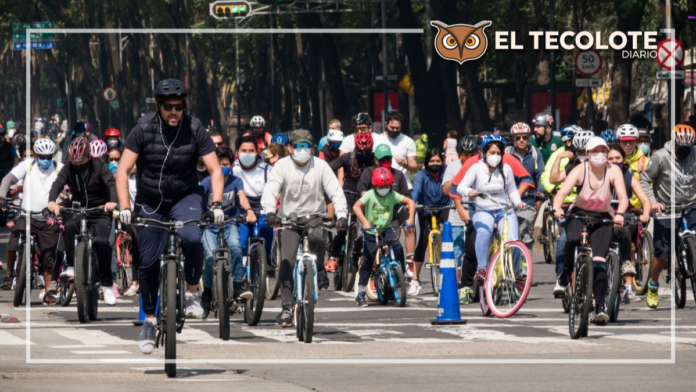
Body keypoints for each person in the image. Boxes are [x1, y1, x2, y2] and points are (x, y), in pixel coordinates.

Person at [115, 78, 223, 355]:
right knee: (148, 260)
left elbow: (215, 170)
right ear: (159, 107)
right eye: (168, 107)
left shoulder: (195, 127)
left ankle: (190, 294)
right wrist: (126, 207)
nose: (174, 112)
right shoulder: (143, 127)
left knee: (190, 236)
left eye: (179, 107)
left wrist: (218, 203)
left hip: (186, 195)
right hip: (150, 200)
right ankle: (149, 320)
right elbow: (123, 171)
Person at [261, 129, 348, 327]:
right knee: (286, 259)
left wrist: (342, 215)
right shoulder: (282, 166)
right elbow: (270, 189)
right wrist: (269, 212)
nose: (302, 150)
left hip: (315, 217)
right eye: (298, 146)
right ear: (290, 148)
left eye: (306, 146)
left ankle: (317, 269)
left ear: (313, 149)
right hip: (288, 221)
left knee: (318, 239)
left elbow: (335, 191)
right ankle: (286, 308)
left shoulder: (321, 166)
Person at [553, 137, 628, 324]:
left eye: (603, 150)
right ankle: (565, 276)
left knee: (599, 260)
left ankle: (601, 306)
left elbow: (623, 198)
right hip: (579, 213)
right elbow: (562, 193)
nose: (600, 154)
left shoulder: (614, 171)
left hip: (602, 217)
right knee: (571, 239)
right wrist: (557, 208)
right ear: (587, 154)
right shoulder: (580, 170)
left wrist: (620, 214)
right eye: (595, 151)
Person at [47, 137, 119, 305]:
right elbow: (57, 184)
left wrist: (112, 201)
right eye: (74, 161)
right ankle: (72, 265)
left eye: (81, 161)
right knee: (70, 225)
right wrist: (51, 201)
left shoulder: (99, 165)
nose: (78, 165)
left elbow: (111, 183)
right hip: (78, 209)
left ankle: (107, 285)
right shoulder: (68, 168)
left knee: (102, 242)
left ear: (88, 157)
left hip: (101, 210)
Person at [640, 124, 696, 309]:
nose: (685, 152)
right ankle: (653, 284)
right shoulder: (660, 157)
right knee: (662, 252)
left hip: (691, 205)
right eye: (682, 148)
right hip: (667, 208)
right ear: (675, 144)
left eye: (688, 148)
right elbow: (644, 180)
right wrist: (653, 202)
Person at [0, 139, 62, 304]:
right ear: (36, 155)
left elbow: (69, 186)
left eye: (48, 156)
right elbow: (8, 180)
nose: (45, 159)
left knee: (49, 257)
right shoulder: (27, 165)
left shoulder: (59, 168)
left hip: (49, 220)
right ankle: (9, 275)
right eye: (42, 156)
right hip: (26, 215)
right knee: (13, 242)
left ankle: (49, 291)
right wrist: (2, 197)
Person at [458, 135, 526, 283]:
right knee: (483, 232)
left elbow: (513, 190)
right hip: (483, 211)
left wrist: (518, 202)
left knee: (513, 240)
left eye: (498, 153)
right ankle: (481, 269)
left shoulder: (506, 168)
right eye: (492, 153)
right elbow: (460, 186)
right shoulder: (476, 168)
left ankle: (516, 274)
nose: (495, 156)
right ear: (484, 153)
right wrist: (469, 191)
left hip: (504, 211)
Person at [200, 147, 257, 318]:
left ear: (232, 165)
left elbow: (242, 197)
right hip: (209, 226)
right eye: (219, 164)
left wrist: (249, 211)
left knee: (236, 247)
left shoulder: (236, 181)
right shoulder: (206, 182)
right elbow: (198, 199)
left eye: (226, 164)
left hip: (229, 223)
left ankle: (238, 284)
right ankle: (207, 292)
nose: (223, 167)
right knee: (210, 256)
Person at [352, 168, 415, 307]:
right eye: (381, 186)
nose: (384, 189)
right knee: (368, 261)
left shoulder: (392, 195)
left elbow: (410, 202)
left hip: (386, 228)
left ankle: (400, 277)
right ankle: (361, 294)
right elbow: (356, 206)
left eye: (387, 186)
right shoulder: (369, 195)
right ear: (375, 185)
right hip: (371, 231)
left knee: (398, 248)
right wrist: (365, 222)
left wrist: (410, 219)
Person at [606, 145, 651, 303]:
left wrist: (645, 214)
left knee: (630, 244)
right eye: (610, 158)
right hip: (606, 214)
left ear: (624, 160)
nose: (614, 161)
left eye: (617, 158)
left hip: (626, 215)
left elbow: (645, 200)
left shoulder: (629, 177)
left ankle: (628, 287)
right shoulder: (600, 175)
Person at [325, 133, 375, 272]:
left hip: (365, 198)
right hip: (346, 196)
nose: (363, 154)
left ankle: (357, 255)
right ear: (355, 148)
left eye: (367, 151)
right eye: (360, 152)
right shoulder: (347, 157)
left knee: (363, 230)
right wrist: (332, 184)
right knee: (342, 227)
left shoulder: (374, 160)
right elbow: (327, 168)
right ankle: (334, 256)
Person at [442, 135, 478, 303]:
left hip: (475, 212)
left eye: (471, 154)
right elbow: (445, 190)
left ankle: (473, 285)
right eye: (464, 154)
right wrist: (456, 178)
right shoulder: (453, 166)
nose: (468, 157)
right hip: (457, 215)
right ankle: (454, 289)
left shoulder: (481, 166)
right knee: (457, 252)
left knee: (474, 250)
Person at [409, 148, 450, 295]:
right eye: (432, 161)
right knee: (421, 243)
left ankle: (453, 277)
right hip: (424, 209)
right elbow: (416, 190)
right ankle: (415, 280)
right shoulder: (421, 174)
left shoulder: (447, 171)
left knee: (450, 236)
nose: (435, 164)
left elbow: (454, 185)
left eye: (438, 161)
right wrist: (412, 203)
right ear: (426, 163)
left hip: (445, 207)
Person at [233, 136, 274, 265]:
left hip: (262, 209)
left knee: (267, 227)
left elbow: (275, 191)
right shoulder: (232, 169)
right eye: (244, 150)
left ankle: (267, 257)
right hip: (241, 212)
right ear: (237, 152)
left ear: (257, 152)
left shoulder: (267, 169)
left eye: (251, 150)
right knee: (241, 243)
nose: (247, 153)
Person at [507, 123, 545, 258]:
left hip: (528, 201)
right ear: (513, 139)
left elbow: (541, 174)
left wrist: (539, 196)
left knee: (526, 237)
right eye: (518, 138)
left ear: (529, 138)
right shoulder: (506, 153)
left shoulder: (535, 152)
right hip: (508, 202)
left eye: (524, 137)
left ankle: (525, 273)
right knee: (508, 237)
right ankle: (510, 269)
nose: (521, 140)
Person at [375, 112, 419, 189]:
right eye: (392, 127)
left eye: (398, 128)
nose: (395, 130)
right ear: (386, 124)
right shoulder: (377, 140)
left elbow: (415, 168)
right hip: (382, 185)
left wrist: (405, 165)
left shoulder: (408, 141)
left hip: (403, 185)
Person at [616, 124, 650, 212]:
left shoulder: (645, 162)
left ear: (636, 142)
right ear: (618, 142)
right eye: (624, 142)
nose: (628, 145)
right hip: (615, 209)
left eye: (631, 141)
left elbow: (650, 188)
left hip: (637, 211)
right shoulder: (611, 160)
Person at [0, 126, 20, 226]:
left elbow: (15, 158)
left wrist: (16, 167)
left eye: (2, 135)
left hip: (7, 172)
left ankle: (7, 211)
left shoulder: (9, 146)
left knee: (9, 192)